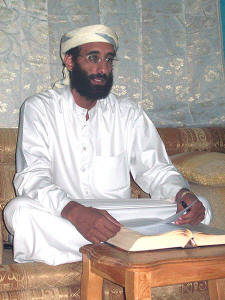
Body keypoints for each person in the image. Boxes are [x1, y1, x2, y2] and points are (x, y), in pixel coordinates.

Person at [4, 24, 212, 266]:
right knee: (19, 211)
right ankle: (132, 246)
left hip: (118, 216)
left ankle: (100, 245)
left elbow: (155, 170)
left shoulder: (128, 112)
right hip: (64, 213)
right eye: (93, 58)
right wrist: (74, 211)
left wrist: (182, 193)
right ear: (69, 61)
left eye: (109, 60)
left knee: (201, 207)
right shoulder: (40, 108)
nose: (103, 68)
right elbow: (31, 177)